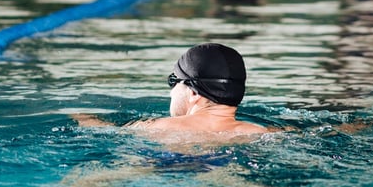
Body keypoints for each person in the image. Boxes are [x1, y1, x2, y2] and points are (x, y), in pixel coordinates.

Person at [73, 43, 267, 144]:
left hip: (170, 162)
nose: (171, 92)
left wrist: (80, 115)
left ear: (193, 93)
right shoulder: (261, 133)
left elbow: (104, 132)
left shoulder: (155, 128)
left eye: (173, 81)